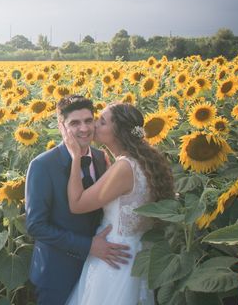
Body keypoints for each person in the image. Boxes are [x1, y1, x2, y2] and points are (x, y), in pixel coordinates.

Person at [63, 102, 174, 305]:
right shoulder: (143, 161)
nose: (94, 125)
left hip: (114, 257)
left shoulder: (124, 167)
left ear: (119, 132)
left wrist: (75, 157)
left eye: (101, 122)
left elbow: (77, 204)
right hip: (132, 252)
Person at [25, 95, 131, 305]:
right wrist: (87, 246)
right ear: (61, 126)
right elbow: (36, 226)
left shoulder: (102, 158)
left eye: (88, 120)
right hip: (57, 272)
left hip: (99, 268)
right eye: (75, 123)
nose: (84, 129)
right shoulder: (42, 165)